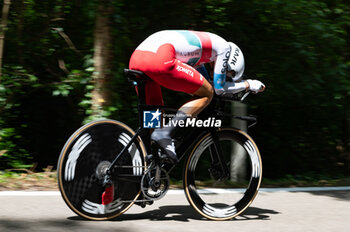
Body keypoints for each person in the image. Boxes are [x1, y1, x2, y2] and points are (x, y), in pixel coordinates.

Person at [129, 30, 265, 164]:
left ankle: (149, 162)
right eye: (227, 75)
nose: (221, 75)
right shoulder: (223, 48)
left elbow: (204, 83)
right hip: (160, 58)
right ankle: (165, 133)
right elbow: (217, 89)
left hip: (138, 58)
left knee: (156, 113)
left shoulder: (200, 57)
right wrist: (248, 84)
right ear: (228, 64)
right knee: (207, 93)